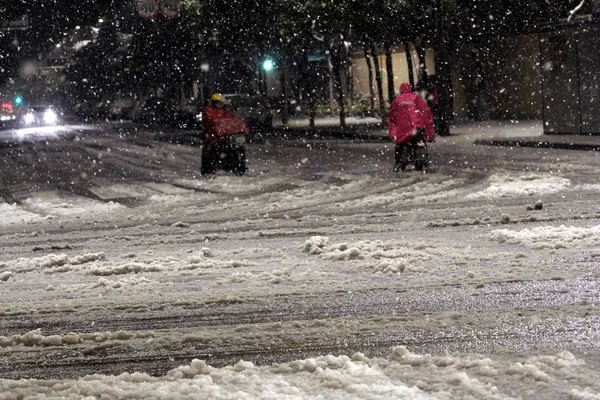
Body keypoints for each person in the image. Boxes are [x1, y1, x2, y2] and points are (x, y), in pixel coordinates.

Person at [387, 82, 436, 171]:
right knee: (419, 141)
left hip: (403, 129)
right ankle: (423, 161)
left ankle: (398, 162)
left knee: (400, 145)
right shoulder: (416, 98)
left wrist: (393, 133)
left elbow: (392, 118)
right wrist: (430, 132)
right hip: (417, 127)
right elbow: (426, 114)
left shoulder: (397, 101)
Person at [201, 93, 249, 175]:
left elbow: (233, 118)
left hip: (225, 136)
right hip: (213, 136)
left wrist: (241, 125)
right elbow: (211, 120)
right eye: (219, 103)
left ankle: (238, 165)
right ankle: (209, 169)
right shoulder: (209, 110)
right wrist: (218, 123)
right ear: (214, 103)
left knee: (238, 148)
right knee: (211, 150)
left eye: (221, 103)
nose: (221, 104)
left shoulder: (225, 111)